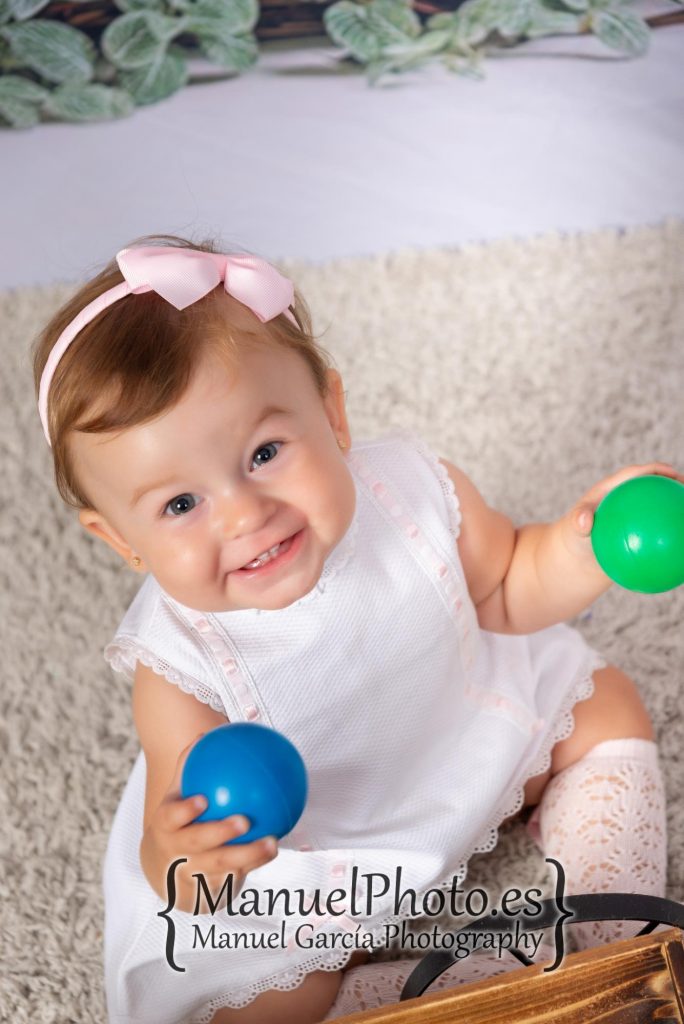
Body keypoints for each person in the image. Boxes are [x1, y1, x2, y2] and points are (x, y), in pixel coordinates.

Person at [32, 234, 676, 1024]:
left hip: (452, 734)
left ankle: (613, 936)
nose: (244, 513)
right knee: (260, 1003)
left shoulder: (410, 492)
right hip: (310, 861)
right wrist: (191, 856)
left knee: (604, 702)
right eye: (179, 505)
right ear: (120, 540)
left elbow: (508, 585)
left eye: (265, 451)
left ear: (332, 414)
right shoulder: (177, 665)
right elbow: (182, 863)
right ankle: (433, 994)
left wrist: (584, 545)